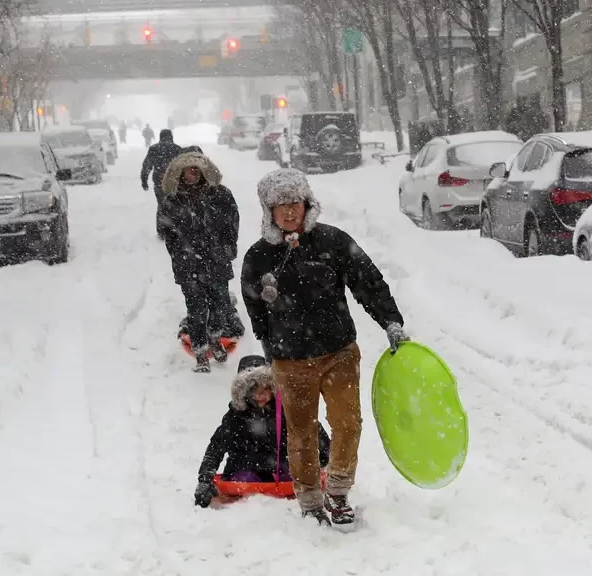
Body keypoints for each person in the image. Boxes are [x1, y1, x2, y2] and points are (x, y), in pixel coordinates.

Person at [240, 169, 409, 527]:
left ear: (307, 204)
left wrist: (391, 321)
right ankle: (310, 500)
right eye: (280, 206)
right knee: (301, 432)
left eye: (295, 204)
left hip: (339, 352)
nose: (289, 213)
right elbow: (253, 304)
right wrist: (270, 344)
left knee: (348, 424)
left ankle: (338, 491)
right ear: (269, 211)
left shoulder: (332, 241)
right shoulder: (259, 256)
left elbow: (369, 282)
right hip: (291, 360)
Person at [195, 355, 332, 508]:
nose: (261, 396)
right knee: (245, 480)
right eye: (255, 390)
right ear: (244, 392)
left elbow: (311, 429)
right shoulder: (236, 416)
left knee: (296, 477)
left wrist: (326, 458)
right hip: (245, 469)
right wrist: (205, 479)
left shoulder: (284, 409)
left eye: (266, 389)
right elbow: (217, 446)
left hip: (281, 468)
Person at [157, 148, 243, 372]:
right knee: (196, 309)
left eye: (196, 169)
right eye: (188, 170)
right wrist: (180, 256)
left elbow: (233, 222)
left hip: (217, 261)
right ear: (181, 172)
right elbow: (168, 233)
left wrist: (228, 248)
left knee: (221, 305)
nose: (192, 173)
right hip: (189, 265)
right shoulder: (172, 200)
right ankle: (200, 353)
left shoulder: (221, 194)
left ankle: (215, 339)